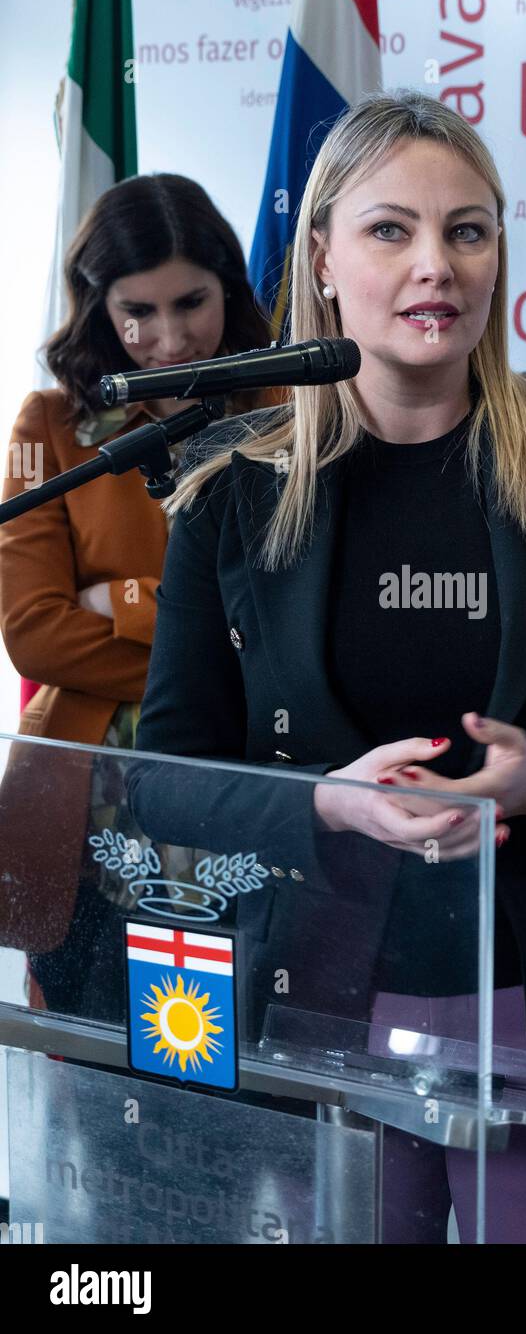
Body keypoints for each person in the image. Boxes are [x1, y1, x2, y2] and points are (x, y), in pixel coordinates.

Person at [132, 90, 526, 1244]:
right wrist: (327, 798)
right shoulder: (229, 481)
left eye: (467, 230)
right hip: (314, 999)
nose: (437, 265)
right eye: (390, 230)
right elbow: (165, 774)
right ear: (319, 255)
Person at [0, 173, 277, 1018]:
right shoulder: (46, 425)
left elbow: (280, 624)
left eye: (192, 302)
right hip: (82, 813)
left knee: (246, 1084)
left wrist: (111, 602)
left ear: (229, 286)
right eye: (137, 312)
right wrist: (196, 640)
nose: (169, 338)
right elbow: (33, 635)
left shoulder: (289, 406)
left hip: (252, 790)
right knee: (93, 1075)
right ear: (99, 309)